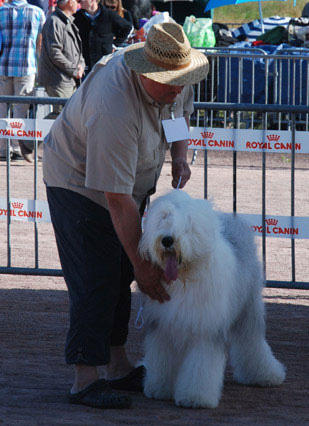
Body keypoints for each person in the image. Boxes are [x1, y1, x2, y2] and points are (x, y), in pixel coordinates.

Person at [42, 22, 209, 409]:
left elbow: (178, 113)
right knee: (96, 276)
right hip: (78, 185)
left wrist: (180, 156)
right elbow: (116, 199)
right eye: (170, 82)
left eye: (181, 80)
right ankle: (84, 380)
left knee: (120, 271)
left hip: (129, 187)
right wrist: (142, 265)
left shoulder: (174, 78)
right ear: (145, 71)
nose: (178, 88)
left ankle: (118, 366)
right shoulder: (112, 103)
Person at [0, 0, 45, 162]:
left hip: (3, 65)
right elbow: (41, 43)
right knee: (20, 109)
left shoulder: (1, 11)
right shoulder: (37, 12)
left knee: (2, 108)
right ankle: (17, 146)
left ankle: (3, 148)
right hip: (27, 65)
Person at [38, 0, 85, 120]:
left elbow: (76, 51)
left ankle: (36, 137)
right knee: (63, 116)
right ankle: (34, 137)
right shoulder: (54, 22)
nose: (78, 4)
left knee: (66, 115)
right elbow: (54, 53)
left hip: (67, 79)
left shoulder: (67, 21)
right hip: (58, 79)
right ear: (69, 2)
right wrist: (75, 70)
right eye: (77, 1)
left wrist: (81, 65)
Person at [74, 0, 132, 75]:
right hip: (85, 63)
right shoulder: (77, 17)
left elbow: (127, 27)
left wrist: (115, 44)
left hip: (104, 62)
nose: (80, 1)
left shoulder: (109, 15)